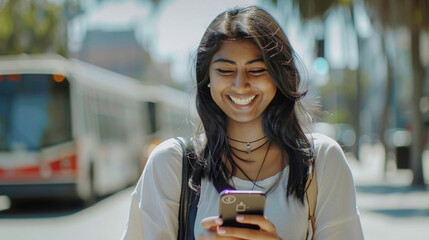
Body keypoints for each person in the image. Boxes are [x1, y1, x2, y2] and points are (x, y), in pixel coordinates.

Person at [122, 5, 364, 240]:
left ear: (279, 77)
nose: (240, 85)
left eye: (257, 70)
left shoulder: (321, 162)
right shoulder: (170, 164)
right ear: (207, 79)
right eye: (225, 71)